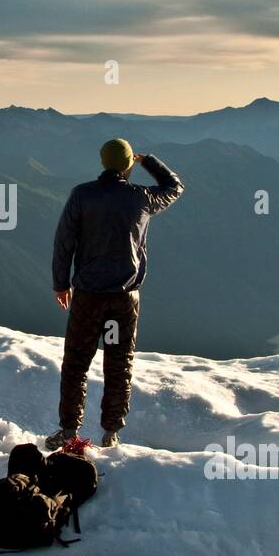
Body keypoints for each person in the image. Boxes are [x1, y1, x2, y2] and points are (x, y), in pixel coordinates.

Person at [47, 138, 183, 449]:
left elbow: (64, 242)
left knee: (77, 363)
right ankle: (111, 434)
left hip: (88, 296)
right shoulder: (142, 198)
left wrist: (61, 283)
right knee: (118, 363)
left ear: (103, 162)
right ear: (127, 165)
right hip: (125, 298)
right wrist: (148, 161)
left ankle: (69, 433)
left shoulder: (82, 196)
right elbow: (174, 186)